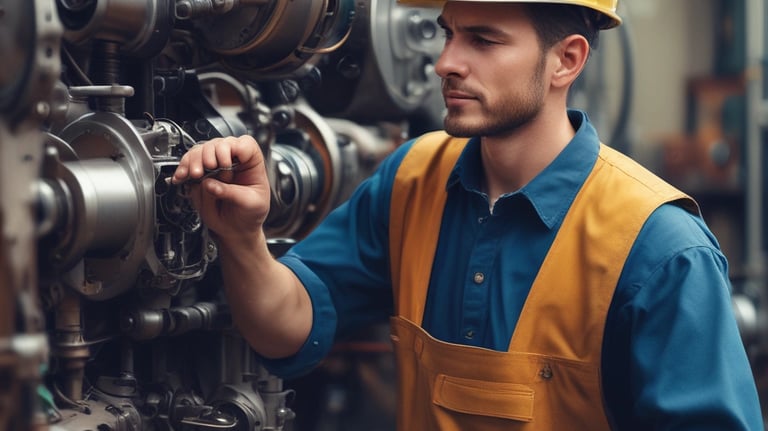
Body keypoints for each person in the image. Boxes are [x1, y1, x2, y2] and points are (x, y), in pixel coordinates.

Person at [171, 0, 765, 429]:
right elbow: (285, 328)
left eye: (483, 40)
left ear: (566, 60)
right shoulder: (412, 180)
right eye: (448, 33)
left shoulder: (660, 248)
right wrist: (242, 237)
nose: (445, 62)